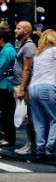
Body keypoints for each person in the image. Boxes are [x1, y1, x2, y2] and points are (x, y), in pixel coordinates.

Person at [27, 28, 56, 160]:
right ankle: (50, 149)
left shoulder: (38, 55)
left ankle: (40, 149)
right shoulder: (54, 51)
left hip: (33, 88)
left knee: (39, 121)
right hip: (47, 87)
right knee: (54, 119)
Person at [13, 20, 38, 156]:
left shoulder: (29, 47)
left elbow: (27, 69)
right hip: (23, 85)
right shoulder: (23, 46)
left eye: (18, 28)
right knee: (26, 116)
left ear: (26, 31)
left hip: (27, 86)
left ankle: (32, 145)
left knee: (29, 116)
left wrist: (22, 87)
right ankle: (29, 143)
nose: (15, 30)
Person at [0, 28, 18, 147]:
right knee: (7, 112)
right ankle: (8, 136)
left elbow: (1, 67)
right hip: (7, 83)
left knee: (6, 112)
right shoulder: (9, 49)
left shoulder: (6, 51)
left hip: (5, 84)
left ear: (1, 39)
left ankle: (9, 138)